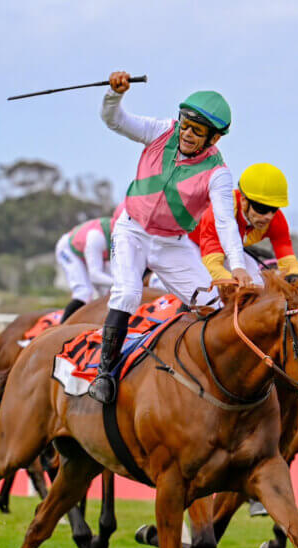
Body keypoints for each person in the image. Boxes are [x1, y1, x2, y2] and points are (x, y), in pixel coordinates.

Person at [88, 71, 252, 404]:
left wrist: (238, 265)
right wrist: (114, 94)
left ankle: (208, 376)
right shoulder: (162, 131)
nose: (187, 134)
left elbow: (225, 222)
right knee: (129, 293)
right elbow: (114, 121)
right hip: (131, 229)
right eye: (186, 125)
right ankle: (104, 374)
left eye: (198, 131)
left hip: (171, 244)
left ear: (214, 139)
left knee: (211, 304)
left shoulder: (218, 173)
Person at [191, 162, 298, 283]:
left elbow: (289, 264)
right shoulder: (218, 211)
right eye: (262, 208)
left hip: (229, 250)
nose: (269, 216)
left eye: (274, 208)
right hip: (192, 245)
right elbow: (212, 265)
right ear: (244, 201)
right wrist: (239, 288)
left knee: (257, 281)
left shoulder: (276, 219)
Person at [55, 215, 114, 321]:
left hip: (91, 249)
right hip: (68, 249)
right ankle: (62, 328)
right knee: (84, 292)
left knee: (108, 292)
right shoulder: (97, 237)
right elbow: (95, 276)